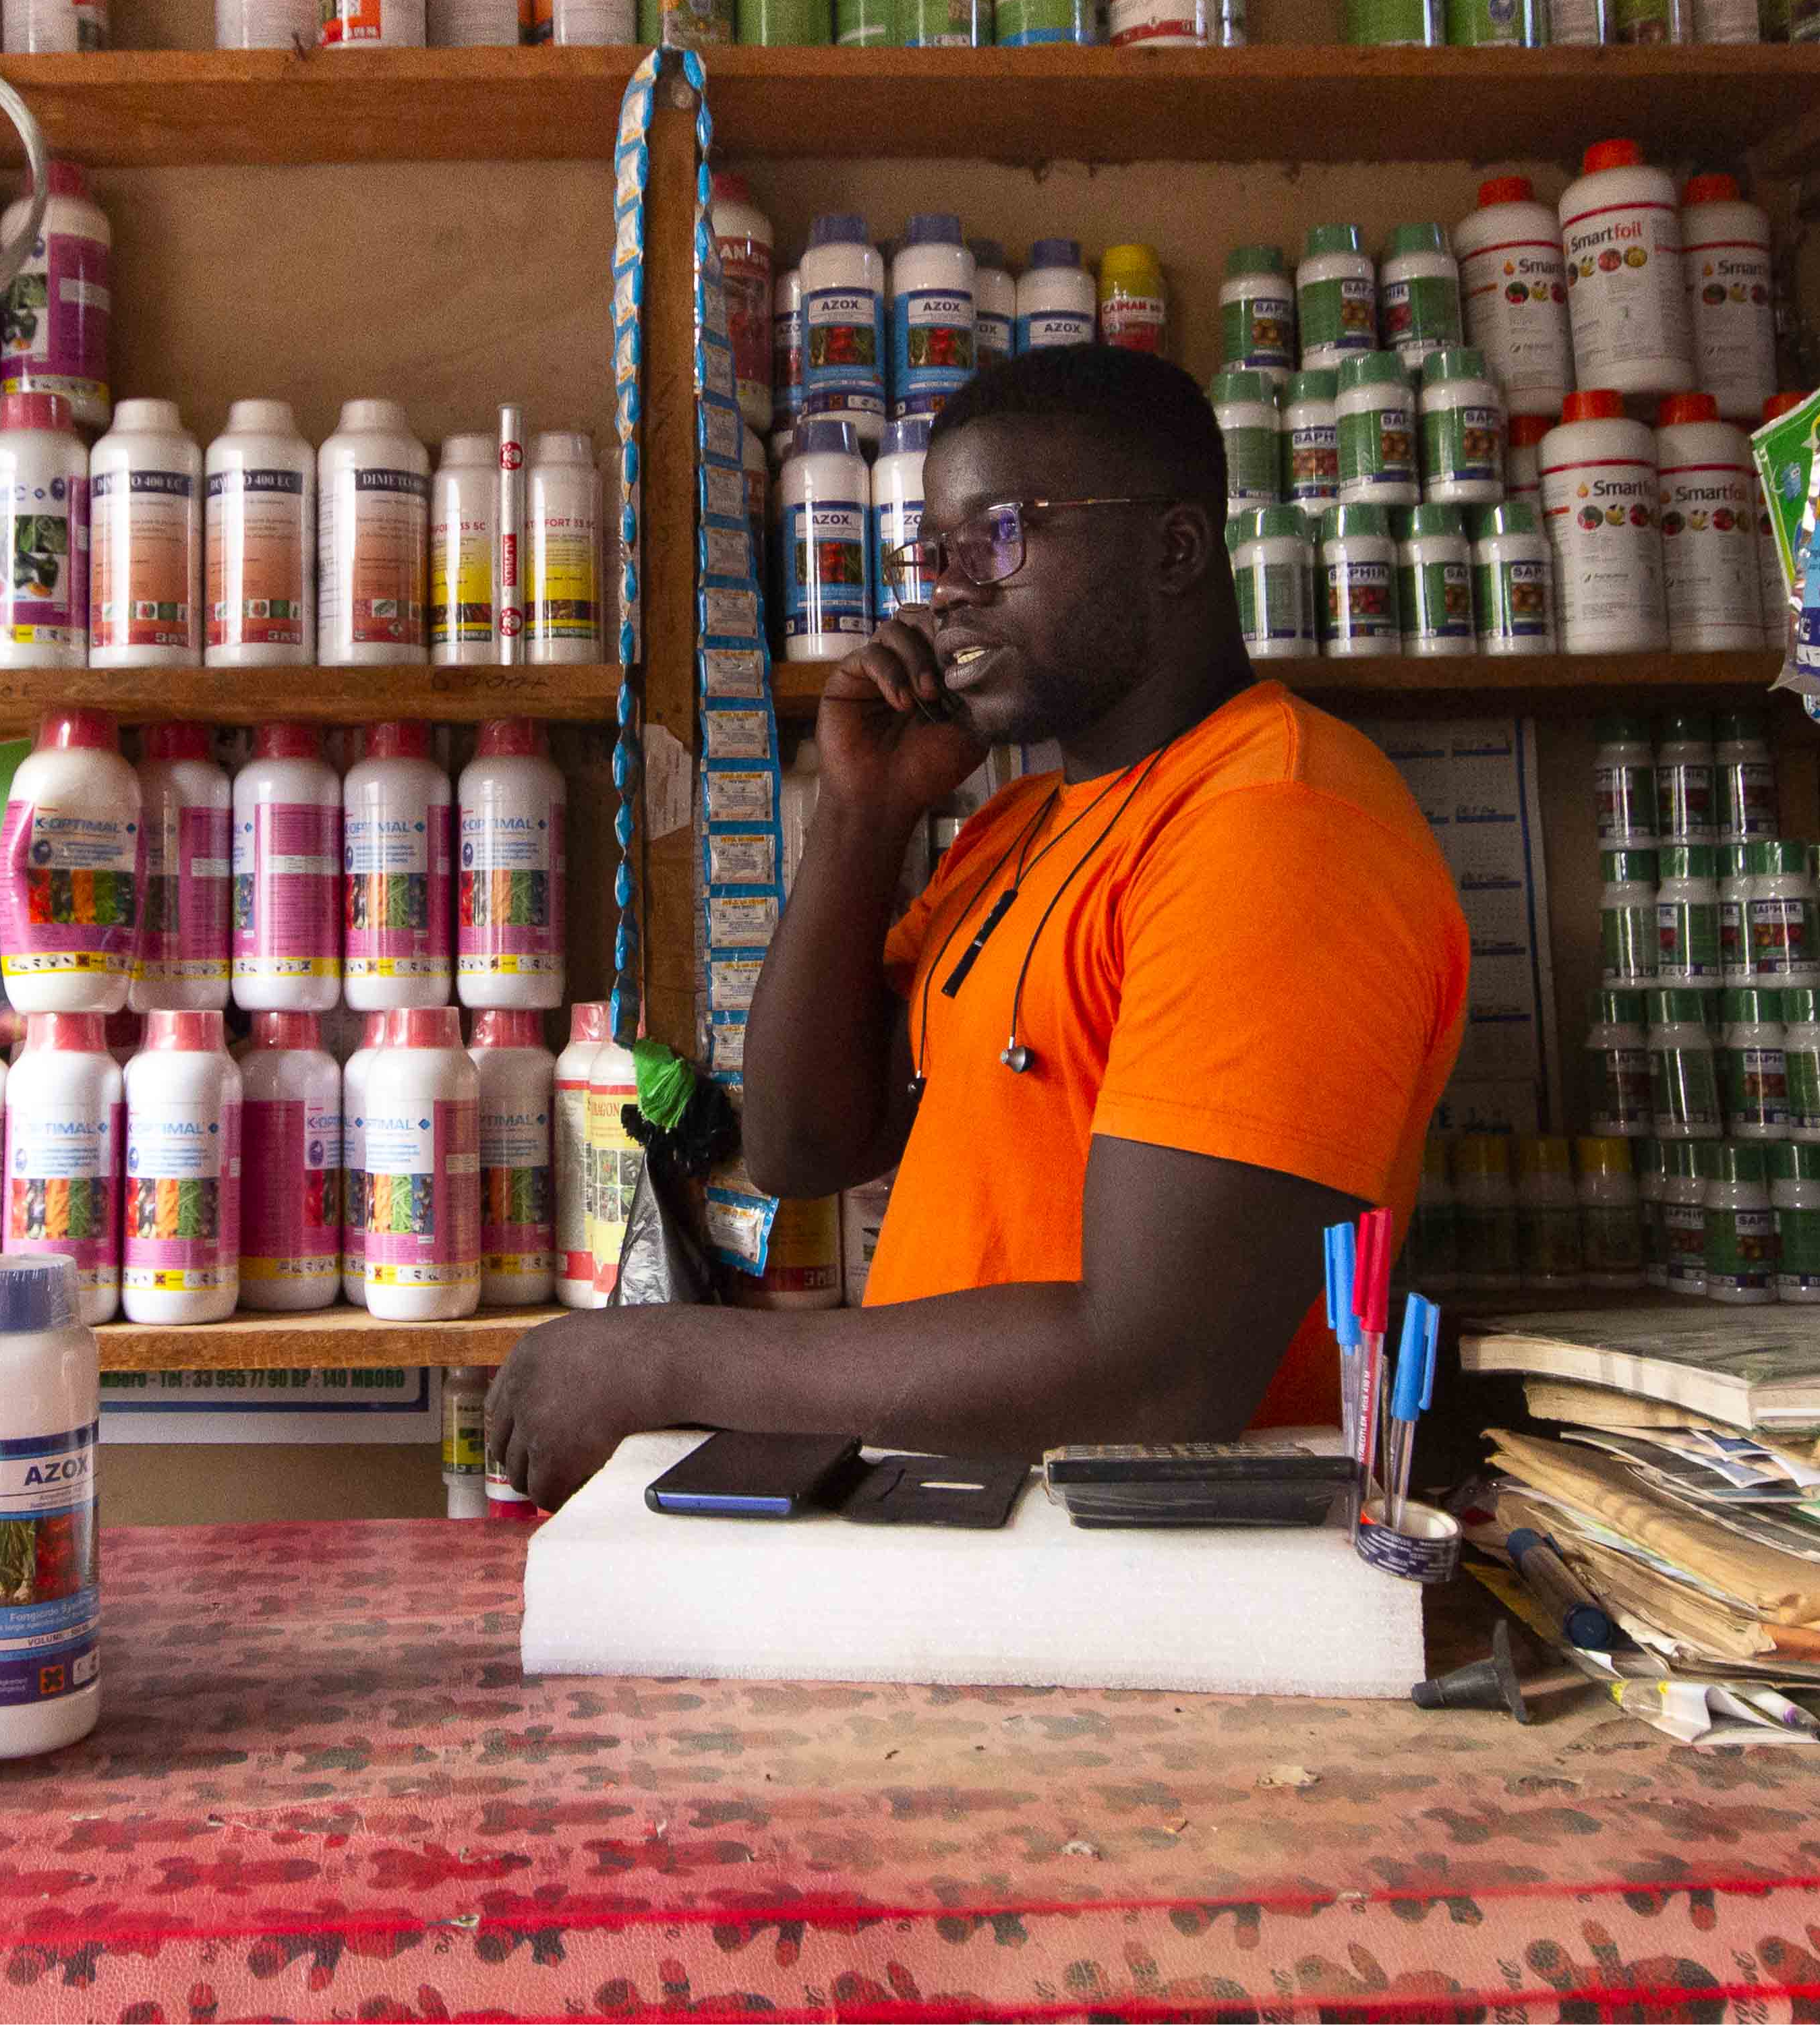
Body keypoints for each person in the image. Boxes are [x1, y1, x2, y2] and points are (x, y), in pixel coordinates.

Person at [488, 343, 1469, 1508]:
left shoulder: (1275, 826)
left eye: (999, 535)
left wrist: (662, 1354)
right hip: (996, 1530)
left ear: (1174, 549)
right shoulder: (1020, 824)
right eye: (934, 549)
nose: (947, 588)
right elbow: (804, 1148)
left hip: (1170, 1575)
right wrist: (862, 814)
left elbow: (1157, 1373)